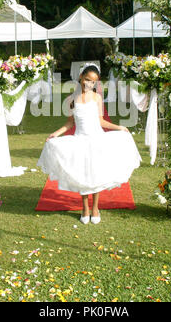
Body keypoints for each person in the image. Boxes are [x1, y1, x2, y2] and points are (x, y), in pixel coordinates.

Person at [37, 63, 141, 224]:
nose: (89, 84)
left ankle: (95, 208)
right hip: (80, 139)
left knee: (96, 173)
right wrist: (56, 133)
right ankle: (85, 207)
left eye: (93, 82)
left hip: (96, 139)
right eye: (87, 80)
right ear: (80, 77)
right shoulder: (71, 100)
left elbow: (101, 121)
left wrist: (119, 127)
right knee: (83, 174)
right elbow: (70, 123)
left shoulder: (97, 98)